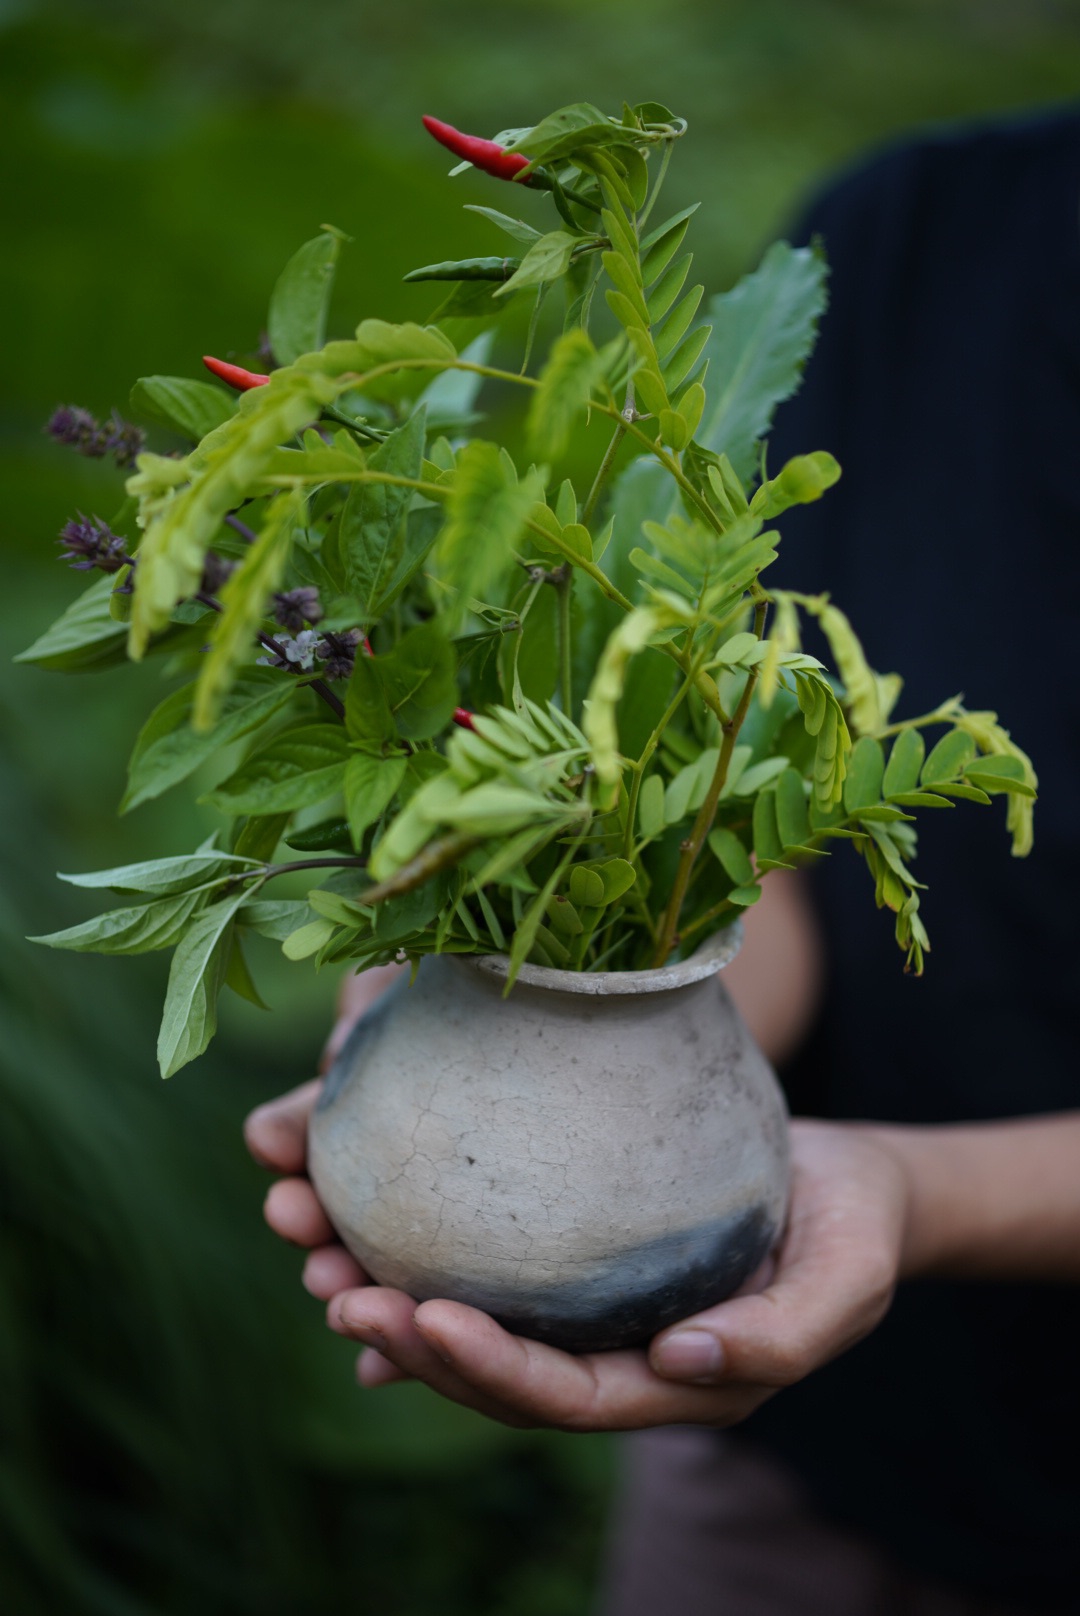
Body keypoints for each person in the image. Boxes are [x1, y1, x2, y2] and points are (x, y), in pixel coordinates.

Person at [245, 106, 1080, 1615]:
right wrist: (524, 985)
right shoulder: (930, 237)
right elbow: (740, 819)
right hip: (799, 1460)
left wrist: (902, 1189)